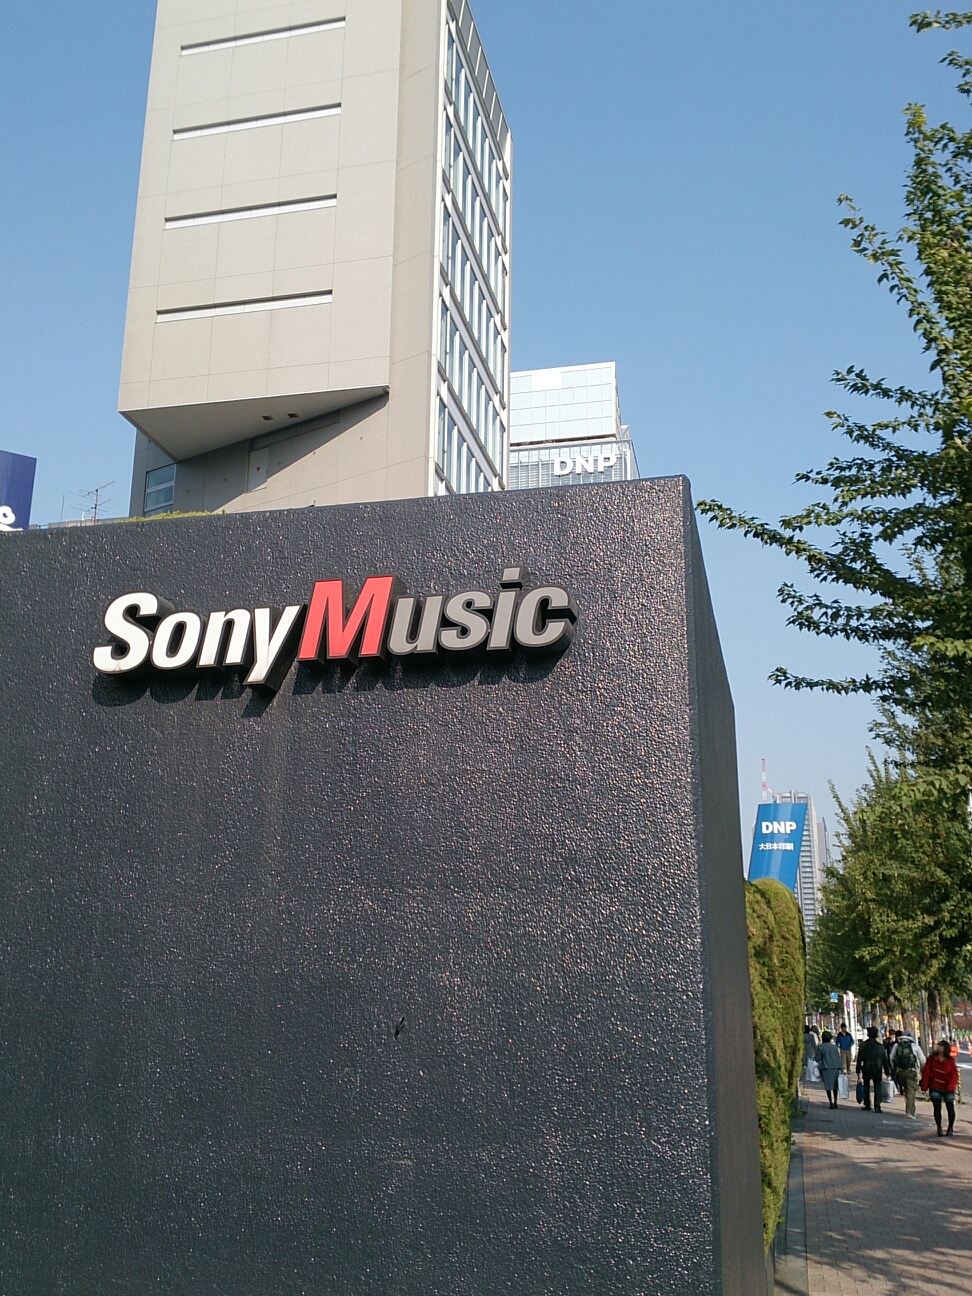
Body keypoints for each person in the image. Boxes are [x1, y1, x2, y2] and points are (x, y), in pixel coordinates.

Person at [921, 1039, 960, 1137]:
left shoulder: (950, 1061)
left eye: (941, 1045)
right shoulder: (932, 1059)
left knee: (950, 1108)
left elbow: (954, 1075)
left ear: (945, 1048)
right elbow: (926, 1072)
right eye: (938, 1045)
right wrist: (924, 1085)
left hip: (948, 1088)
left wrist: (951, 1087)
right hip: (935, 1086)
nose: (938, 1047)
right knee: (937, 1108)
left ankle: (950, 1127)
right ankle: (939, 1126)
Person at [889, 1030, 926, 1119]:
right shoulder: (914, 1046)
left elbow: (891, 1058)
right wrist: (921, 1070)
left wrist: (894, 1068)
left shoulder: (896, 1046)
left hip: (900, 1071)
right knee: (911, 1092)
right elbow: (923, 1060)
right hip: (911, 1071)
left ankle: (908, 1107)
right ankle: (910, 1112)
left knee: (905, 1090)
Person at [856, 1025, 891, 1113]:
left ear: (868, 1034)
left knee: (866, 1086)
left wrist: (858, 1070)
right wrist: (887, 1072)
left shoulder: (863, 1045)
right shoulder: (880, 1047)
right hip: (877, 1069)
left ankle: (867, 1104)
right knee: (877, 1087)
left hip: (867, 1068)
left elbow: (859, 1058)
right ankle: (877, 1106)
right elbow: (884, 1060)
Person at [815, 1031, 843, 1109]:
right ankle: (836, 1101)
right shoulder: (834, 1047)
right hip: (835, 1067)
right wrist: (841, 1068)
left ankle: (831, 1102)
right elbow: (838, 1058)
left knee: (828, 1086)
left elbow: (817, 1058)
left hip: (826, 1068)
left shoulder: (820, 1047)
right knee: (835, 1086)